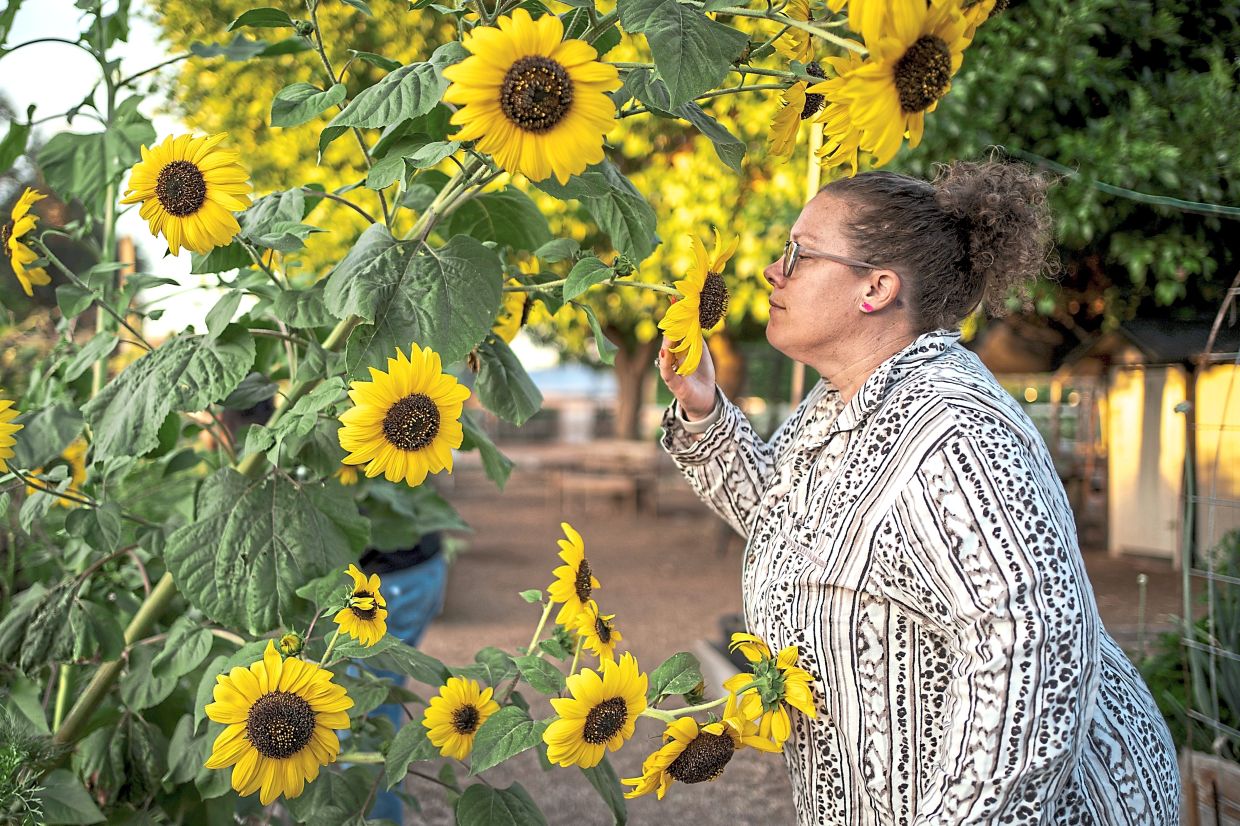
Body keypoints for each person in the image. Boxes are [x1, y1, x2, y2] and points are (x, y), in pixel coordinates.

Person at [656, 162, 1179, 824]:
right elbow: (796, 527)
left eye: (798, 253)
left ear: (875, 287)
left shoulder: (955, 434)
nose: (772, 272)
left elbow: (1030, 660)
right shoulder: (840, 402)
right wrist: (707, 415)